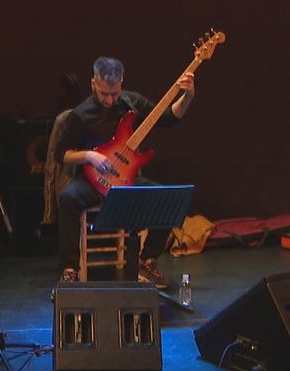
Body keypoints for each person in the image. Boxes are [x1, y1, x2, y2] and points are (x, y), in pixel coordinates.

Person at [54, 56, 196, 288]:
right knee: (69, 198)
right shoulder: (80, 114)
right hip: (92, 180)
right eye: (103, 94)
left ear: (121, 83)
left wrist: (187, 96)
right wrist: (89, 155)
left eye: (114, 93)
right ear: (93, 84)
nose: (109, 99)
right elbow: (61, 154)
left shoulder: (132, 102)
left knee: (166, 198)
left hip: (126, 181)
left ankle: (147, 260)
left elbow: (169, 118)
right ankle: (69, 269)